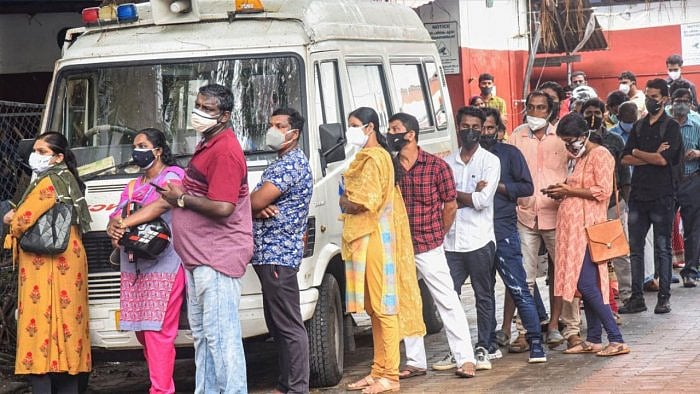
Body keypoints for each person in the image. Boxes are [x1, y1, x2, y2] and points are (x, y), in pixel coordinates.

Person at [159, 84, 253, 393]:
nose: (199, 112)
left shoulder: (225, 151)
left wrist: (182, 200)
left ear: (224, 116)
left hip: (217, 259)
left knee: (222, 337)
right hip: (199, 258)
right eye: (198, 105)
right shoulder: (208, 143)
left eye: (208, 109)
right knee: (204, 336)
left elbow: (224, 207)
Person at [385, 113, 477, 379]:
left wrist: (440, 234)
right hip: (398, 246)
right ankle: (415, 361)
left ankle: (466, 359)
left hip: (429, 243)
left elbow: (450, 205)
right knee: (406, 302)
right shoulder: (390, 167)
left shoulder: (436, 166)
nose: (391, 134)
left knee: (447, 300)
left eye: (396, 129)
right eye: (390, 129)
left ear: (411, 134)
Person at [342, 107, 425, 394]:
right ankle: (378, 369)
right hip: (366, 239)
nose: (349, 129)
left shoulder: (376, 158)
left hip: (377, 239)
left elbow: (367, 200)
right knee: (375, 311)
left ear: (370, 127)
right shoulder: (365, 157)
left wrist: (346, 203)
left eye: (354, 125)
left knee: (385, 308)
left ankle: (390, 375)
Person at [3, 132, 92, 393]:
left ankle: (42, 368)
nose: (35, 156)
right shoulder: (67, 179)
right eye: (36, 150)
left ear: (58, 157)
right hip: (69, 259)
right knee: (68, 324)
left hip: (47, 263)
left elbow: (22, 219)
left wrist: (10, 217)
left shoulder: (48, 182)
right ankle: (68, 370)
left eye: (42, 151)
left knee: (40, 323)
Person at [105, 128, 186, 394]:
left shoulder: (173, 177)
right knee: (142, 331)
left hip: (165, 265)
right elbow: (115, 216)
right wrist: (114, 230)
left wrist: (125, 222)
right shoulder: (132, 185)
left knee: (157, 331)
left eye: (142, 145)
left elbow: (164, 204)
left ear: (158, 151)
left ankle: (162, 390)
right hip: (135, 267)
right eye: (134, 145)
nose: (136, 150)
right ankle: (160, 384)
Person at [544, 112, 630, 357]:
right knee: (588, 285)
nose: (569, 145)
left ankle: (616, 338)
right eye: (565, 141)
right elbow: (581, 189)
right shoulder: (581, 158)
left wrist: (568, 190)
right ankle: (593, 338)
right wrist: (563, 191)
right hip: (573, 231)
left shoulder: (600, 155)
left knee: (586, 284)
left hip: (587, 230)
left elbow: (602, 192)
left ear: (584, 135)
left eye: (571, 140)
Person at [509, 91, 580, 351]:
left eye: (540, 108)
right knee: (524, 278)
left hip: (557, 213)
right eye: (531, 107)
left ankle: (567, 328)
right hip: (525, 214)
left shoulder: (561, 138)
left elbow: (579, 163)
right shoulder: (517, 136)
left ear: (549, 112)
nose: (535, 112)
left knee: (565, 274)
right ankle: (525, 331)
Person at [250, 108, 312, 393]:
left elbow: (252, 201)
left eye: (279, 125)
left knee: (288, 326)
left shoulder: (291, 165)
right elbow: (253, 202)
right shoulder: (280, 163)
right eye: (270, 124)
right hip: (268, 254)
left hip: (279, 254)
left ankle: (296, 387)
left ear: (294, 133)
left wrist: (256, 203)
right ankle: (286, 384)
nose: (272, 130)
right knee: (278, 325)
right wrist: (255, 203)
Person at [479, 108, 547, 364]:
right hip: (476, 234)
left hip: (504, 228)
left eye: (488, 128)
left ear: (498, 130)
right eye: (478, 128)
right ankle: (485, 344)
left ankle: (535, 340)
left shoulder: (509, 154)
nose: (483, 133)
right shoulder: (466, 157)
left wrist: (499, 187)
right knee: (482, 291)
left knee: (518, 286)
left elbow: (527, 187)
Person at [620, 78, 684, 315]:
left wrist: (639, 153)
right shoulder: (639, 126)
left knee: (662, 248)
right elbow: (625, 157)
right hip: (638, 195)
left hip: (663, 195)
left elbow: (663, 160)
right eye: (648, 95)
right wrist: (646, 154)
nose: (650, 100)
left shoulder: (671, 127)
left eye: (655, 96)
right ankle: (637, 298)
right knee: (635, 249)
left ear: (664, 99)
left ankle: (663, 298)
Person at [444, 106, 500, 371]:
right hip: (450, 241)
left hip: (479, 240)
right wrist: (463, 196)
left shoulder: (490, 161)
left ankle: (483, 346)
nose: (471, 131)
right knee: (448, 296)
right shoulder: (446, 163)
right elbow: (441, 201)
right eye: (466, 126)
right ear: (458, 127)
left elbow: (482, 201)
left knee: (483, 295)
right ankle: (457, 350)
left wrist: (455, 196)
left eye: (476, 127)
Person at [580, 98, 632, 321]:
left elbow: (624, 174)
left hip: (612, 203)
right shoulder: (578, 140)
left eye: (596, 112)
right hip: (587, 205)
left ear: (603, 114)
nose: (593, 116)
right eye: (588, 112)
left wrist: (625, 204)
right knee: (593, 255)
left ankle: (627, 294)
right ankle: (593, 298)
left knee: (618, 251)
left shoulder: (614, 139)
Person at [669, 89, 700, 288]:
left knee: (692, 229)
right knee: (663, 228)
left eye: (685, 101)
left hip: (691, 180)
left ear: (691, 103)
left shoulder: (697, 124)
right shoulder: (665, 125)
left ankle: (690, 272)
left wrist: (698, 152)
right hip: (667, 181)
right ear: (671, 102)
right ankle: (662, 272)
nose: (681, 104)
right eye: (677, 100)